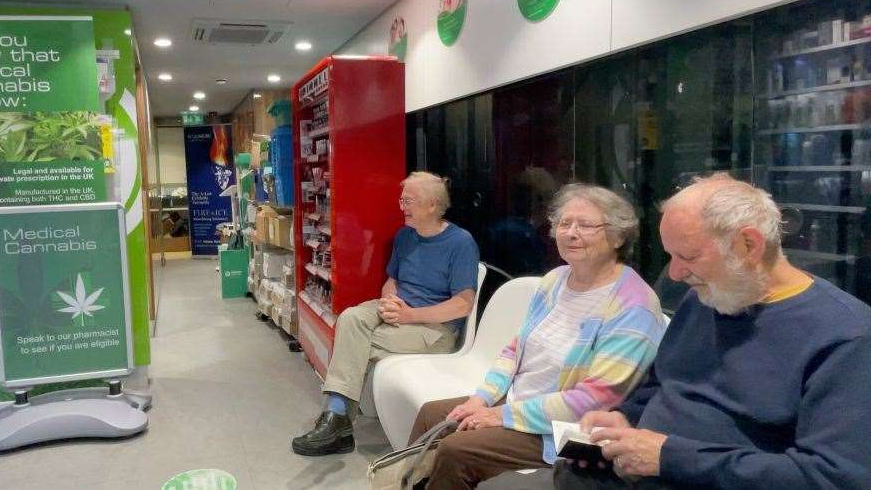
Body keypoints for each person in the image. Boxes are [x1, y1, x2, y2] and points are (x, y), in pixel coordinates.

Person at [555, 173, 871, 489]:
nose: (675, 274)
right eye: (670, 256)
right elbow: (663, 382)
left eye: (688, 256)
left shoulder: (845, 337)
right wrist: (625, 417)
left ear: (748, 245)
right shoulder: (706, 298)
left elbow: (832, 477)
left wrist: (669, 457)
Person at [409, 184, 667, 489]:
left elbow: (592, 401)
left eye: (585, 225)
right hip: (521, 399)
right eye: (563, 223)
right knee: (433, 414)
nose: (571, 233)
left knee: (456, 450)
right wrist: (481, 399)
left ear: (618, 237)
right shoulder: (555, 280)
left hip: (563, 427)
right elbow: (515, 350)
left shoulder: (633, 305)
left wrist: (500, 415)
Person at [292, 171, 480, 456]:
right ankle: (338, 419)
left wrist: (409, 316)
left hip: (434, 328)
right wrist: (389, 301)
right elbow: (392, 280)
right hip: (398, 310)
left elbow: (463, 305)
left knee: (360, 342)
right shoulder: (405, 236)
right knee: (350, 319)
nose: (401, 206)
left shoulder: (461, 242)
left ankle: (337, 417)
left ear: (432, 204)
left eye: (409, 201)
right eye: (402, 200)